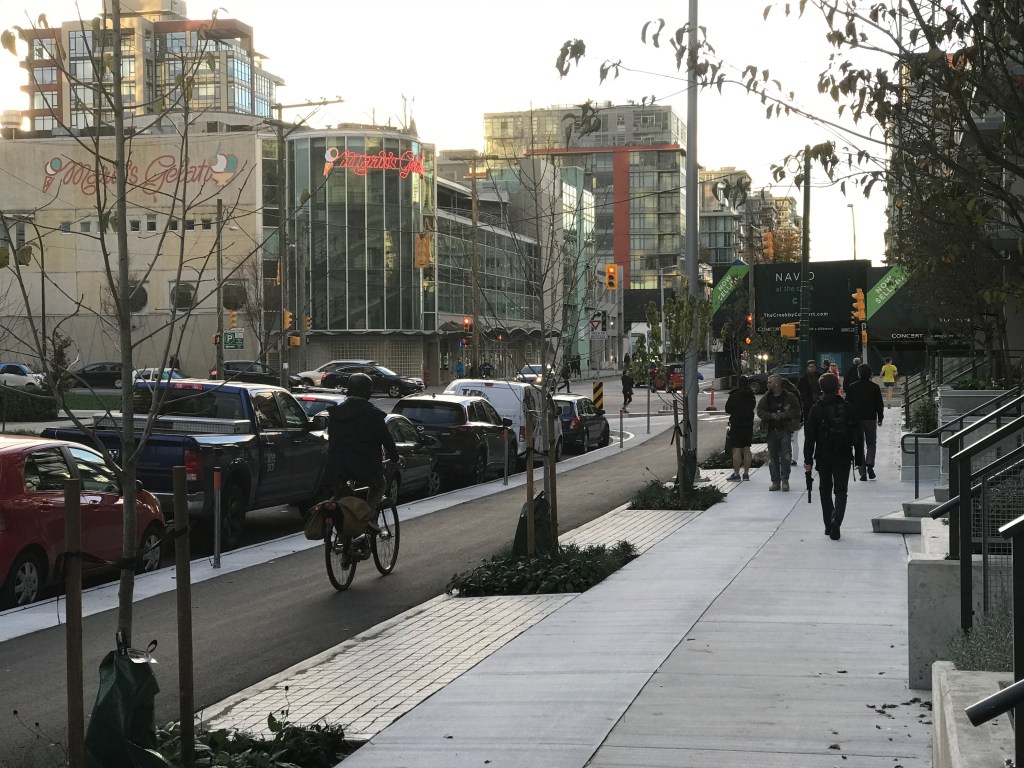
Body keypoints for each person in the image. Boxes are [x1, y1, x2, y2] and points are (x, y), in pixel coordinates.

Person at [326, 372, 400, 515]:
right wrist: (396, 458)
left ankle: (342, 533)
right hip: (365, 467)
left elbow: (332, 438)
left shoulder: (335, 414)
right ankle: (368, 517)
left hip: (336, 466)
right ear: (368, 393)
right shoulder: (373, 414)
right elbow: (387, 439)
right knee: (380, 485)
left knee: (340, 492)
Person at [804, 373, 864, 540]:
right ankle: (836, 520)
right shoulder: (848, 407)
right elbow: (858, 435)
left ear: (821, 388)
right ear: (838, 387)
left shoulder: (816, 409)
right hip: (843, 454)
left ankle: (828, 524)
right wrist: (859, 459)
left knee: (825, 489)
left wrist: (807, 459)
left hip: (823, 455)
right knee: (841, 490)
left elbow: (810, 437)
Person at [756, 374, 802, 491]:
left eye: (769, 382)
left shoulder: (789, 397)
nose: (767, 384)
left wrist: (784, 415)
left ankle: (785, 479)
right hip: (771, 431)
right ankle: (775, 481)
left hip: (785, 430)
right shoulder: (766, 398)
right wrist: (770, 416)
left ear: (776, 384)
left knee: (786, 456)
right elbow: (760, 411)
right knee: (773, 457)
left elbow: (797, 410)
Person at [845, 362, 884, 480]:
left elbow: (847, 405)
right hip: (871, 418)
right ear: (870, 374)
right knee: (871, 443)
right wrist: (880, 417)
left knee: (859, 444)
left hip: (856, 419)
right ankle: (870, 463)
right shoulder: (875, 387)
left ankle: (862, 472)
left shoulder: (852, 387)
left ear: (859, 373)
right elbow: (879, 404)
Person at [725, 375, 756, 482]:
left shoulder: (734, 395)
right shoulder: (751, 394)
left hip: (737, 424)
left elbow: (727, 409)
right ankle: (746, 474)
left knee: (737, 450)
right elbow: (753, 406)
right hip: (748, 424)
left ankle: (737, 473)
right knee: (747, 449)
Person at [781, 376, 802, 466]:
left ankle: (787, 458)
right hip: (796, 419)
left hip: (787, 419)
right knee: (795, 440)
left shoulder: (785, 395)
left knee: (787, 440)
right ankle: (794, 459)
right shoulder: (795, 392)